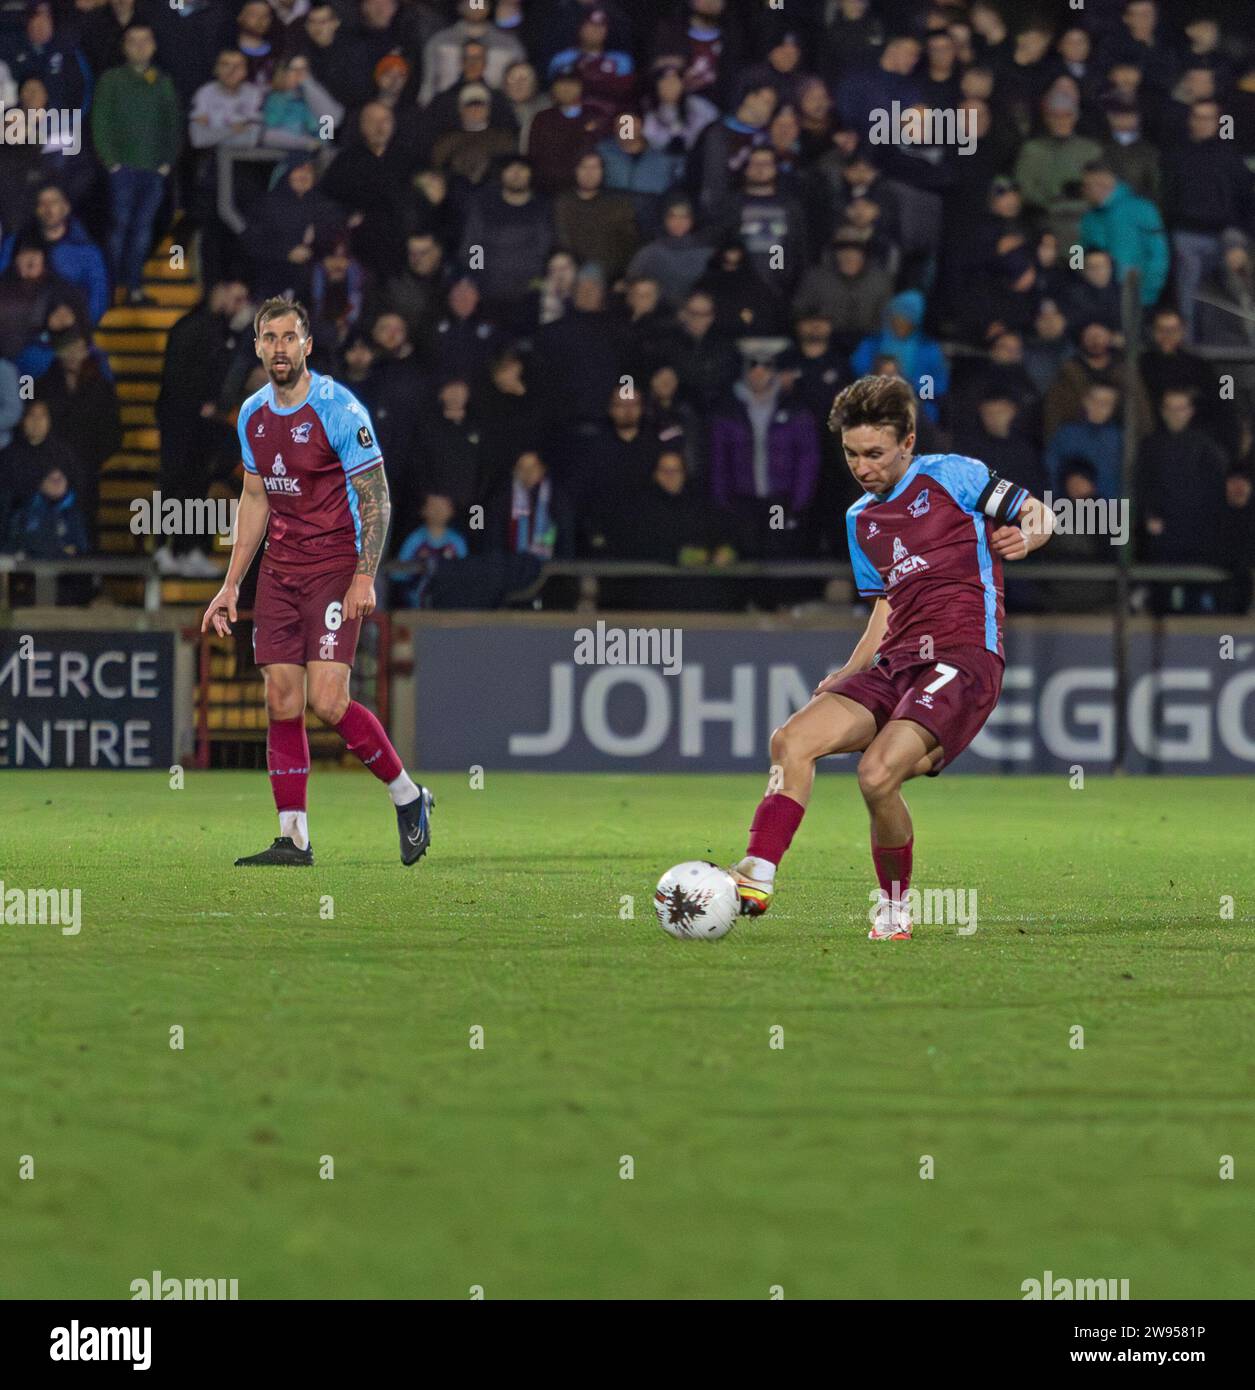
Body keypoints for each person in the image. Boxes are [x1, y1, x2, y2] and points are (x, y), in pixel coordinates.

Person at [726, 375, 1055, 940]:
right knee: (792, 739)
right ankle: (755, 874)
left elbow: (1039, 514)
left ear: (907, 442)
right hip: (895, 661)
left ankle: (895, 906)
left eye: (874, 453)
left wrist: (1028, 537)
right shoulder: (860, 519)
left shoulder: (953, 474)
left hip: (965, 656)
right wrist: (849, 673)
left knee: (876, 775)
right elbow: (884, 608)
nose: (862, 466)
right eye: (852, 454)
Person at [200, 298, 435, 868]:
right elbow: (255, 498)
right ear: (257, 346)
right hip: (280, 571)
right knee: (281, 699)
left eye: (289, 337)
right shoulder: (252, 414)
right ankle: (294, 837)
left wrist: (364, 575)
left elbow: (374, 496)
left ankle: (408, 797)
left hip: (334, 567)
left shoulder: (339, 408)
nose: (279, 347)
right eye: (269, 338)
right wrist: (232, 584)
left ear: (307, 345)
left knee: (328, 699)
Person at [91, 23, 180, 306]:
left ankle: (133, 287)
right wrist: (111, 162)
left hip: (153, 169)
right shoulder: (111, 79)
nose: (140, 46)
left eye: (145, 41)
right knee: (119, 227)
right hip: (123, 169)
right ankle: (110, 287)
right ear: (124, 46)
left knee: (142, 230)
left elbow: (173, 124)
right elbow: (101, 122)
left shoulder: (163, 81)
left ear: (154, 45)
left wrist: (166, 161)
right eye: (133, 41)